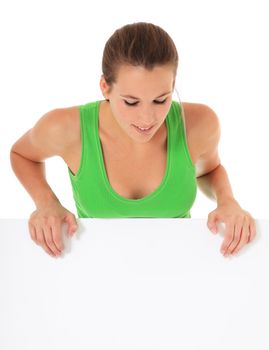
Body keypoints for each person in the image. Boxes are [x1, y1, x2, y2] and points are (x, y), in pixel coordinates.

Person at [10, 22, 256, 259]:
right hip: (93, 267)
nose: (147, 118)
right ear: (105, 87)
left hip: (180, 267)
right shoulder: (65, 127)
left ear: (173, 85)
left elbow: (208, 171)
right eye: (131, 102)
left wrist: (228, 201)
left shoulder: (200, 123)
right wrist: (46, 203)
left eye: (161, 100)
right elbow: (22, 155)